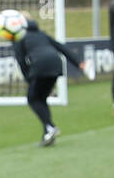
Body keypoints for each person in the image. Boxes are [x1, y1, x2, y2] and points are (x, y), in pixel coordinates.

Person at [12, 15, 84, 146]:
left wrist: (29, 79)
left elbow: (21, 61)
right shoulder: (40, 33)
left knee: (32, 98)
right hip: (56, 64)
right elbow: (61, 47)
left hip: (40, 66)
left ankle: (50, 126)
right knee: (41, 99)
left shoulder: (18, 36)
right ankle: (48, 134)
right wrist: (78, 62)